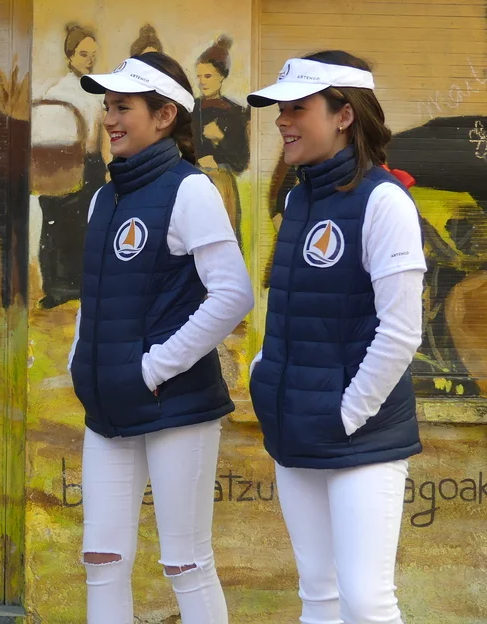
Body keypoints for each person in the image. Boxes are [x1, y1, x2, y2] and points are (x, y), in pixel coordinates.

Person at [69, 52, 254, 623]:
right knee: (101, 560)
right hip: (107, 407)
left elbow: (232, 294)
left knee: (185, 563)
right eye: (107, 107)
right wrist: (80, 360)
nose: (109, 119)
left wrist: (153, 368)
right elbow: (96, 295)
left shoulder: (189, 189)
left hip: (176, 406)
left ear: (165, 115)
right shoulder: (105, 196)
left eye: (122, 107)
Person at [247, 51, 426, 624]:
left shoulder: (384, 201)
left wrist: (346, 414)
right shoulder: (299, 198)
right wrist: (264, 374)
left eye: (298, 108)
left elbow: (402, 332)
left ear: (344, 115)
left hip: (361, 437)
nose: (282, 121)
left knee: (366, 602)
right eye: (280, 109)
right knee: (318, 596)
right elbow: (291, 310)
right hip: (296, 427)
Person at [36, 23, 109, 308]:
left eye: (93, 55)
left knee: (88, 226)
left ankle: (83, 286)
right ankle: (56, 288)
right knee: (55, 226)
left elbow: (103, 132)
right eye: (83, 54)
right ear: (70, 55)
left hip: (91, 164)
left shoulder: (99, 91)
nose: (89, 60)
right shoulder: (58, 91)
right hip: (61, 163)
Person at [192, 35, 250, 242]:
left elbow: (241, 162)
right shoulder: (191, 109)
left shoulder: (235, 112)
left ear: (222, 76)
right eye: (199, 76)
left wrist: (220, 139)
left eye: (208, 76)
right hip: (194, 184)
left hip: (222, 187)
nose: (202, 82)